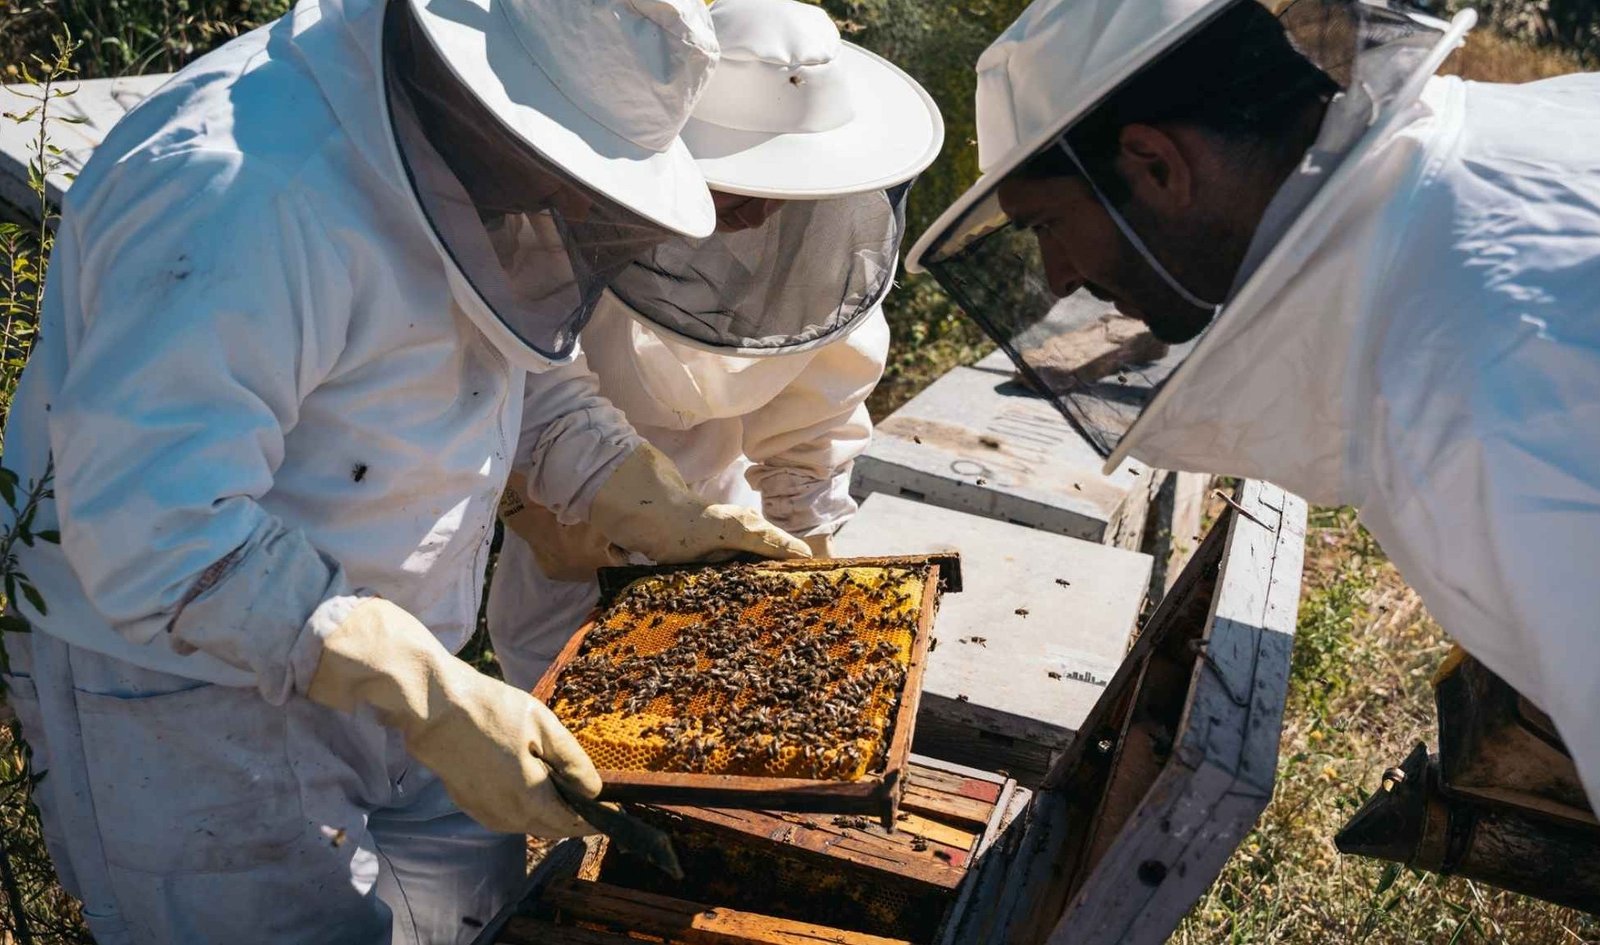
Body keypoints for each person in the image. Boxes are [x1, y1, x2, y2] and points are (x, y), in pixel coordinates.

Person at [0, 0, 810, 939]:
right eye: (571, 163)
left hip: (401, 656)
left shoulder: (473, 152)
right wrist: (427, 691)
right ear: (478, 84)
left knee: (472, 918)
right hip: (188, 696)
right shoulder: (239, 189)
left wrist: (642, 495)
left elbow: (511, 366)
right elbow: (159, 531)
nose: (581, 205)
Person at [908, 0, 1600, 807]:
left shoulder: (1470, 404)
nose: (1056, 276)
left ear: (1157, 165)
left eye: (1047, 225)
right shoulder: (1528, 133)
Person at [487, 0, 943, 690]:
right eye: (743, 182)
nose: (761, 212)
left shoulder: (828, 267)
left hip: (727, 529)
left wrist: (811, 557)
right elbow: (531, 382)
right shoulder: (572, 221)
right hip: (567, 529)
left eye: (786, 186)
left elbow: (812, 428)